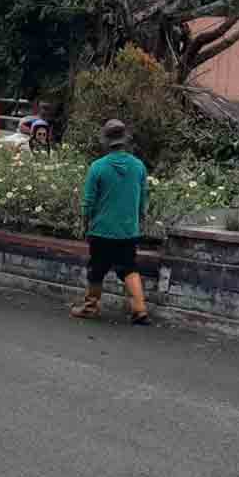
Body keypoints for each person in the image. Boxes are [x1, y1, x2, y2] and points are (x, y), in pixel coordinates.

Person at [70, 118, 150, 325]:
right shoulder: (139, 166)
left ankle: (90, 308)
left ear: (106, 141)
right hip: (128, 230)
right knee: (129, 268)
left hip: (102, 230)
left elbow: (88, 202)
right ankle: (140, 309)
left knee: (96, 269)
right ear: (125, 140)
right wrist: (139, 219)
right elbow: (143, 199)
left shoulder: (97, 167)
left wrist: (85, 222)